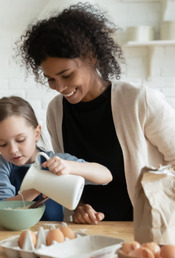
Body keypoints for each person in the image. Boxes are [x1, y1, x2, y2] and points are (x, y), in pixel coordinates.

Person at [18, 3, 175, 224]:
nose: (60, 87)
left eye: (67, 75)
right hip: (91, 230)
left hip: (144, 228)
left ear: (91, 57)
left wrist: (159, 204)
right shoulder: (56, 110)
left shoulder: (139, 101)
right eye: (51, 79)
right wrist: (80, 207)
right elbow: (69, 173)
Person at [0, 96, 112, 221]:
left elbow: (106, 176)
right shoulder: (3, 166)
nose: (13, 150)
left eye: (20, 140)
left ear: (36, 134)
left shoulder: (54, 161)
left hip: (52, 232)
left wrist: (70, 167)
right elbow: (1, 208)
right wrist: (36, 187)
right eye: (2, 144)